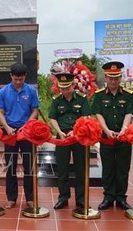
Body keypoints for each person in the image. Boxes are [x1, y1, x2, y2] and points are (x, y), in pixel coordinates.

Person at [92, 62, 133, 211]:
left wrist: (124, 129)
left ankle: (121, 198)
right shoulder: (99, 96)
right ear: (106, 78)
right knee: (108, 168)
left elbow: (129, 113)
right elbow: (98, 114)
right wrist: (107, 130)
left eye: (116, 78)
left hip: (124, 137)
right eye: (110, 78)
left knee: (123, 169)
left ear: (120, 78)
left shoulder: (128, 95)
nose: (113, 81)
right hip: (106, 137)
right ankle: (108, 197)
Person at [0, 62, 39, 209]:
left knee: (29, 166)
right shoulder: (3, 92)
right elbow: (0, 112)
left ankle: (30, 197)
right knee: (11, 165)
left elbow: (35, 111)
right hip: (10, 132)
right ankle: (11, 197)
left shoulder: (31, 91)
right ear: (11, 76)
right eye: (16, 79)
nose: (18, 82)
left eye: (21, 79)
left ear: (25, 77)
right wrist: (7, 127)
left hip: (27, 132)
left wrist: (26, 126)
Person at [48, 73, 91, 210]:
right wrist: (59, 131)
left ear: (73, 85)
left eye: (67, 88)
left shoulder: (82, 99)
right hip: (62, 137)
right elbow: (53, 118)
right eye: (62, 88)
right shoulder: (56, 100)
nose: (65, 91)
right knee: (62, 169)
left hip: (79, 136)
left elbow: (86, 117)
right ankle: (63, 197)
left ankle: (81, 199)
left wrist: (75, 131)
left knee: (81, 168)